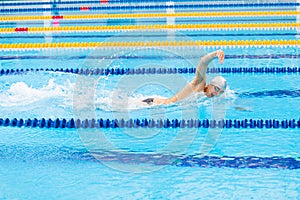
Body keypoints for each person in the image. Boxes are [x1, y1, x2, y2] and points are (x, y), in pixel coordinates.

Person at [142, 49, 227, 105]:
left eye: (220, 92)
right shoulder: (200, 84)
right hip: (151, 104)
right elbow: (203, 63)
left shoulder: (204, 95)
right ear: (210, 84)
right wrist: (216, 53)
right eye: (216, 89)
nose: (216, 94)